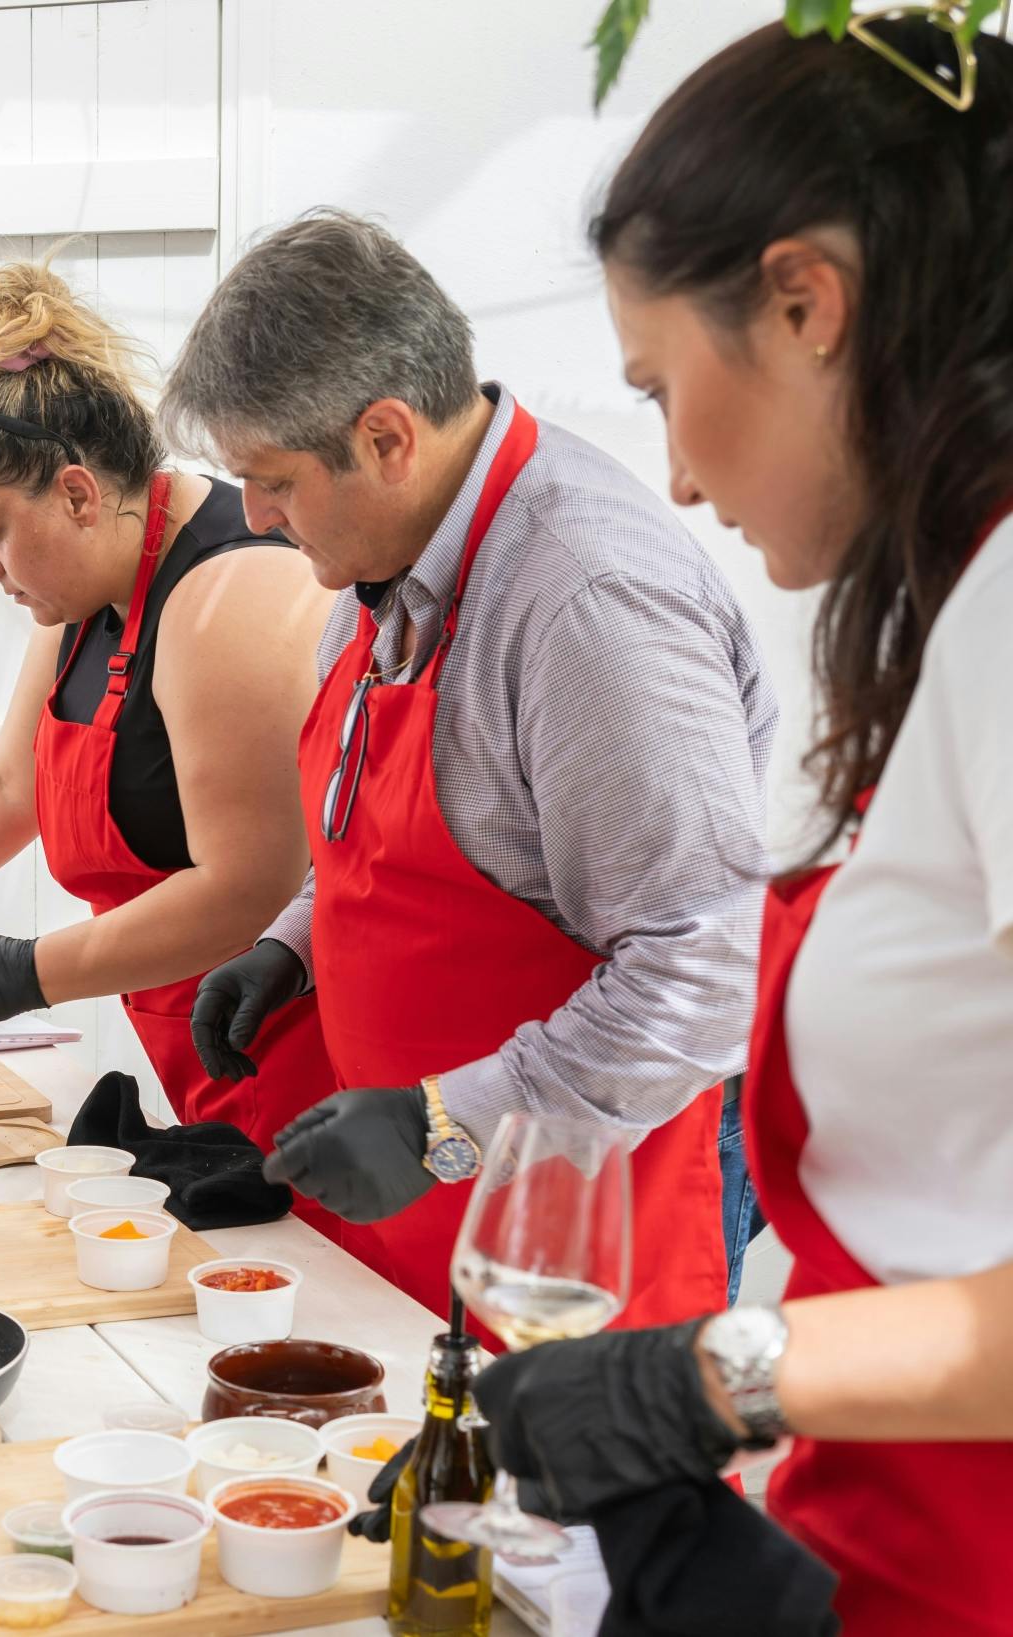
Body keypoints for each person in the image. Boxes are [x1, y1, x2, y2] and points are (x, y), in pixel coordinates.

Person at [472, 21, 1013, 1634]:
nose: (678, 479)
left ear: (803, 302)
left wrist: (712, 1375)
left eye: (662, 387)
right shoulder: (950, 610)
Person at [163, 209, 774, 1328]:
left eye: (273, 479)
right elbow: (389, 834)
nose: (249, 515)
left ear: (387, 437)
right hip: (418, 1234)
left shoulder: (585, 602)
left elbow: (702, 966)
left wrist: (439, 1123)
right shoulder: (379, 563)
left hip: (568, 1252)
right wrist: (289, 947)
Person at [0, 260, 335, 1148]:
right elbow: (7, 785)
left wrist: (11, 974)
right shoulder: (85, 590)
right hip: (202, 1054)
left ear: (76, 494)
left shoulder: (226, 602)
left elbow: (245, 889)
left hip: (300, 1057)